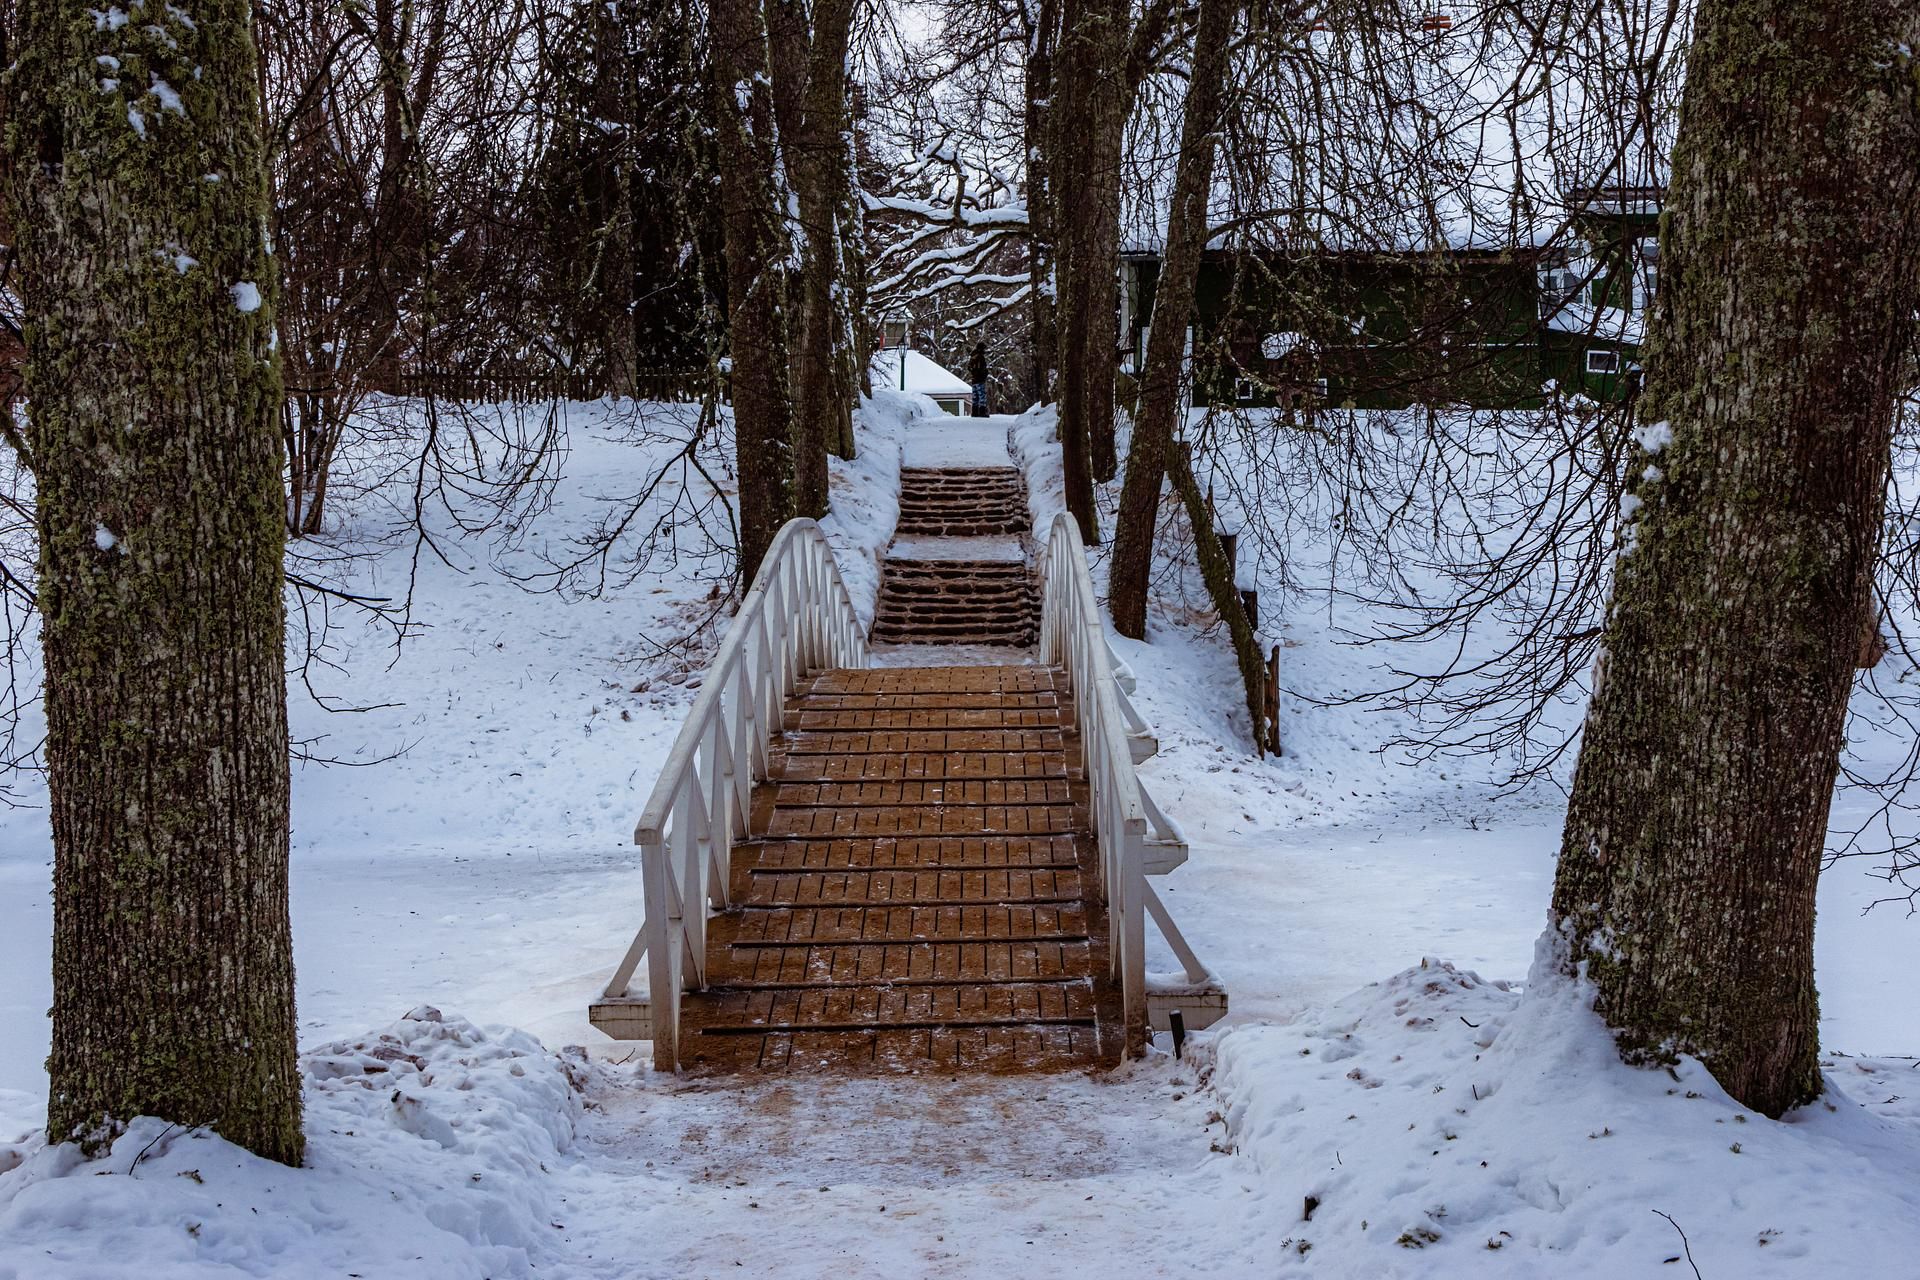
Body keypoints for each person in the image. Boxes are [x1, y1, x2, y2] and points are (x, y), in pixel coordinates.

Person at [968, 342, 989, 417]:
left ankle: (975, 412)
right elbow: (982, 368)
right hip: (980, 379)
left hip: (974, 379)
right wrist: (985, 373)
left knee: (975, 397)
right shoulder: (980, 357)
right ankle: (982, 412)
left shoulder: (973, 356)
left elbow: (969, 368)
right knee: (982, 396)